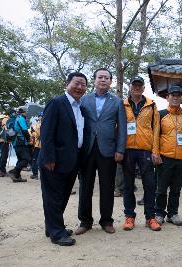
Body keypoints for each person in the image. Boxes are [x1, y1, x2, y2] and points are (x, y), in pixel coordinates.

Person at [75, 68, 127, 235]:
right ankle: (85, 221)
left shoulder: (117, 101)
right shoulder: (84, 99)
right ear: (95, 80)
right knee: (85, 186)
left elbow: (122, 127)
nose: (103, 80)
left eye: (106, 78)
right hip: (87, 149)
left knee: (107, 186)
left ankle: (106, 220)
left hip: (108, 150)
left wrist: (120, 149)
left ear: (110, 81)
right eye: (100, 77)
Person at [39, 72, 87, 246]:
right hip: (54, 161)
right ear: (67, 84)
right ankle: (57, 234)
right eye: (76, 83)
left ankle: (52, 226)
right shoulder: (57, 103)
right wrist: (49, 158)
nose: (79, 87)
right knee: (53, 197)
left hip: (72, 161)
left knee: (63, 196)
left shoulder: (80, 107)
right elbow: (46, 132)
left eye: (83, 85)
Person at [122, 76, 162, 231]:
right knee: (128, 185)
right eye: (134, 85)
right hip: (127, 149)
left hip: (146, 149)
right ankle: (129, 216)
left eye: (140, 85)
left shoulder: (151, 105)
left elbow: (157, 128)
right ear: (130, 87)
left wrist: (155, 151)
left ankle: (150, 217)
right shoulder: (122, 104)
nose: (137, 88)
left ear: (144, 88)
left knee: (150, 184)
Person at [154, 85, 182, 227]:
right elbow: (155, 135)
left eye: (178, 95)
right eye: (172, 95)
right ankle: (159, 213)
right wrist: (155, 153)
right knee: (161, 188)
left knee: (176, 189)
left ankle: (173, 213)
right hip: (164, 157)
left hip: (181, 158)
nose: (175, 97)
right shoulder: (160, 114)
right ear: (167, 97)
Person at [8, 108, 31, 182]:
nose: (26, 113)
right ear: (22, 112)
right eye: (25, 112)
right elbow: (24, 130)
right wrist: (28, 139)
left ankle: (17, 177)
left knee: (20, 159)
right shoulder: (21, 119)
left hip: (16, 142)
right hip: (20, 142)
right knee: (27, 159)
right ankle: (14, 172)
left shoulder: (17, 118)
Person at [0, 112, 12, 177]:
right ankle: (1, 170)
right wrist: (13, 135)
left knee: (3, 154)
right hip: (4, 140)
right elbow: (7, 129)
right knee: (4, 155)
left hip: (1, 139)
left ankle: (1, 170)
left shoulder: (1, 118)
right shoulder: (6, 119)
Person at [30, 112, 43, 179]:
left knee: (35, 159)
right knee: (42, 160)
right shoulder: (47, 123)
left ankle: (35, 174)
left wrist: (33, 132)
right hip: (43, 145)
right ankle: (43, 174)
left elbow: (38, 135)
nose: (39, 117)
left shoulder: (39, 125)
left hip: (39, 145)